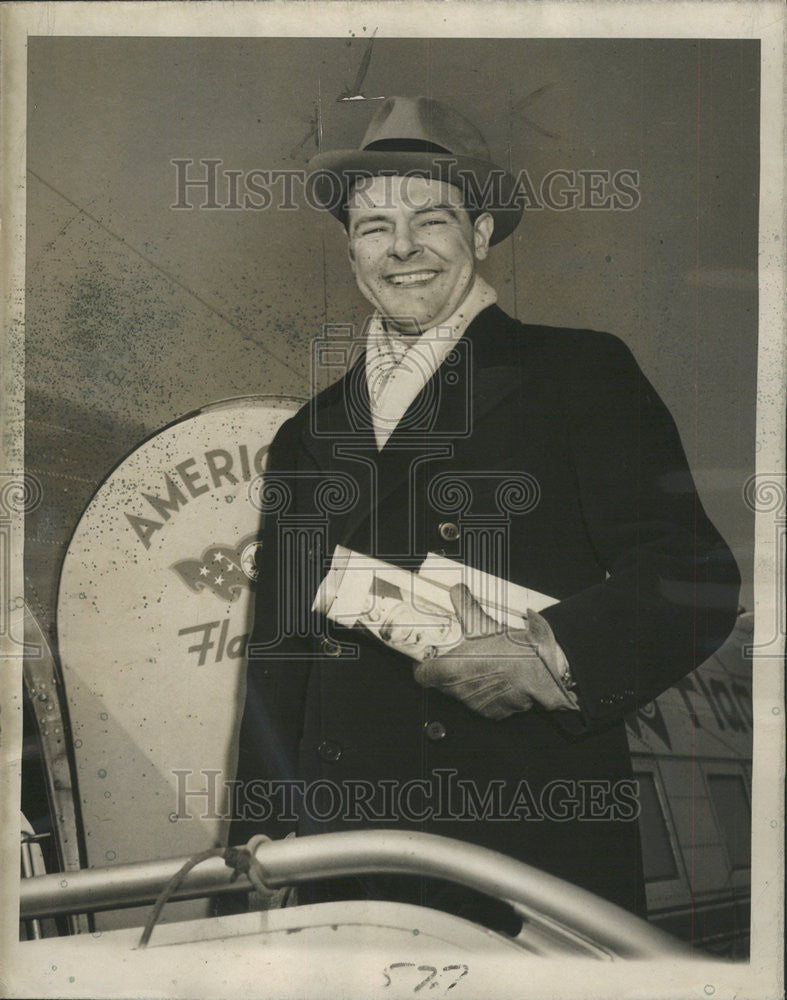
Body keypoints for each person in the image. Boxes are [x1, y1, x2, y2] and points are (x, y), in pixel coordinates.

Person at [230, 96, 740, 931]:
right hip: (347, 851)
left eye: (430, 219)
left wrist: (548, 657)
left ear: (482, 227)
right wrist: (257, 831)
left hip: (527, 835)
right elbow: (278, 656)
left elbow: (694, 575)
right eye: (372, 226)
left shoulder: (577, 372)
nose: (400, 249)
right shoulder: (305, 434)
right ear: (349, 245)